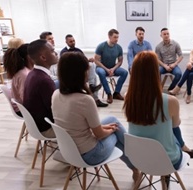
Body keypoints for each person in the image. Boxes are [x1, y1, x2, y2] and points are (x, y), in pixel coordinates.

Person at [51, 52, 140, 181]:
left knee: (113, 120)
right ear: (79, 73)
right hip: (90, 154)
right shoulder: (85, 100)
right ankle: (136, 162)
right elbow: (99, 134)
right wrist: (110, 130)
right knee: (117, 131)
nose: (89, 72)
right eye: (87, 69)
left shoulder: (55, 94)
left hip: (69, 150)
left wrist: (107, 127)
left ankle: (135, 162)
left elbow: (79, 124)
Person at [124, 51, 193, 172]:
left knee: (167, 125)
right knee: (173, 128)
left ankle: (183, 147)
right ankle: (183, 147)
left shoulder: (128, 97)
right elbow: (175, 125)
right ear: (156, 73)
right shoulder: (171, 101)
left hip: (138, 159)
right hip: (168, 161)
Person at [60, 34, 107, 107]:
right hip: (72, 74)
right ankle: (95, 97)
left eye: (73, 41)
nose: (73, 42)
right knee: (93, 76)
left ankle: (92, 86)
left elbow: (84, 60)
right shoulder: (64, 52)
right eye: (70, 41)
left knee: (92, 66)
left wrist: (88, 60)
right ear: (66, 42)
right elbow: (68, 66)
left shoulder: (78, 50)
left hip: (82, 71)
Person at [23, 39, 58, 138]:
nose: (55, 53)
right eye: (52, 51)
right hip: (47, 128)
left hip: (37, 126)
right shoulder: (44, 80)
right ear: (43, 57)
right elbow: (55, 111)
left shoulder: (33, 73)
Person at [94, 29, 128, 104]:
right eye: (115, 37)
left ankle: (116, 93)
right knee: (101, 73)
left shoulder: (119, 47)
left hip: (113, 68)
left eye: (117, 37)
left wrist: (113, 69)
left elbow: (120, 61)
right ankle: (109, 94)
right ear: (109, 36)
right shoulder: (101, 46)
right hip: (101, 68)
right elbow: (96, 61)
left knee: (124, 72)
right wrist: (107, 70)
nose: (117, 39)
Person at [3, 43, 34, 116]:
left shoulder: (26, 71)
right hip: (23, 110)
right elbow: (26, 98)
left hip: (24, 107)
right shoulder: (24, 74)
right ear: (29, 57)